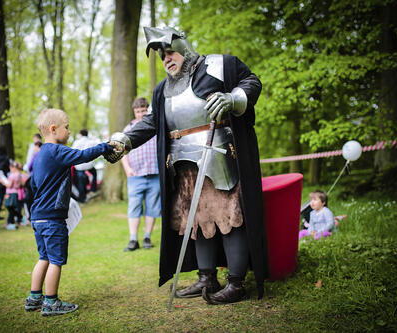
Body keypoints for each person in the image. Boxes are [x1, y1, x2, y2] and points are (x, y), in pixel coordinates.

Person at [104, 27, 268, 305]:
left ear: (183, 46)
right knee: (197, 222)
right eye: (161, 56)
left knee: (230, 218)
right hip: (182, 167)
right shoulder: (162, 90)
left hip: (218, 156)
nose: (166, 59)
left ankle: (237, 283)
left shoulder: (219, 66)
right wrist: (124, 139)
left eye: (169, 52)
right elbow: (152, 123)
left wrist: (232, 98)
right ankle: (207, 277)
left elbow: (252, 82)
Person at [25, 108, 115, 316]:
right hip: (52, 219)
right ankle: (51, 302)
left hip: (38, 217)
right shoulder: (56, 150)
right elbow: (83, 156)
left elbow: (33, 186)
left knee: (43, 257)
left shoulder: (39, 155)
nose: (69, 131)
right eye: (67, 127)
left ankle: (34, 297)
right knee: (56, 260)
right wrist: (105, 146)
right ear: (53, 129)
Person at [120, 97, 160, 251]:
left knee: (153, 207)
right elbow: (122, 152)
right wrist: (127, 168)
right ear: (134, 112)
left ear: (147, 110)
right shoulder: (128, 129)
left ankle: (147, 237)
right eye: (138, 112)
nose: (141, 114)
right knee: (134, 207)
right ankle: (133, 239)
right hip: (135, 175)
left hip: (154, 172)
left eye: (144, 111)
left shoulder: (154, 127)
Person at [71, 129, 100, 202]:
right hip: (89, 165)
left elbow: (72, 151)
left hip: (79, 166)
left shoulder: (76, 142)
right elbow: (97, 148)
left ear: (80, 134)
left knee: (80, 182)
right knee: (94, 173)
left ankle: (82, 198)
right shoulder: (91, 142)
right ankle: (93, 189)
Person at [1, 161, 23, 230]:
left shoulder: (12, 175)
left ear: (13, 167)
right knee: (12, 208)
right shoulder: (19, 174)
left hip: (10, 193)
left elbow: (9, 185)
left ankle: (10, 221)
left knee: (10, 208)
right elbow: (20, 184)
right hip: (16, 192)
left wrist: (3, 182)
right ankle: (15, 219)